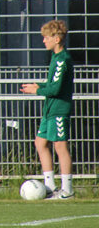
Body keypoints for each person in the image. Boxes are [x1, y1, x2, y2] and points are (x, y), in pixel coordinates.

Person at [21, 19, 75, 200]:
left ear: (57, 39)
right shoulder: (55, 58)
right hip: (49, 110)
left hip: (59, 110)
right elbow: (51, 84)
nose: (44, 41)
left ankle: (67, 190)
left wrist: (38, 91)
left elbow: (56, 89)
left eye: (46, 37)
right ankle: (50, 186)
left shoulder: (63, 60)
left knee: (60, 145)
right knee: (40, 143)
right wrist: (38, 85)